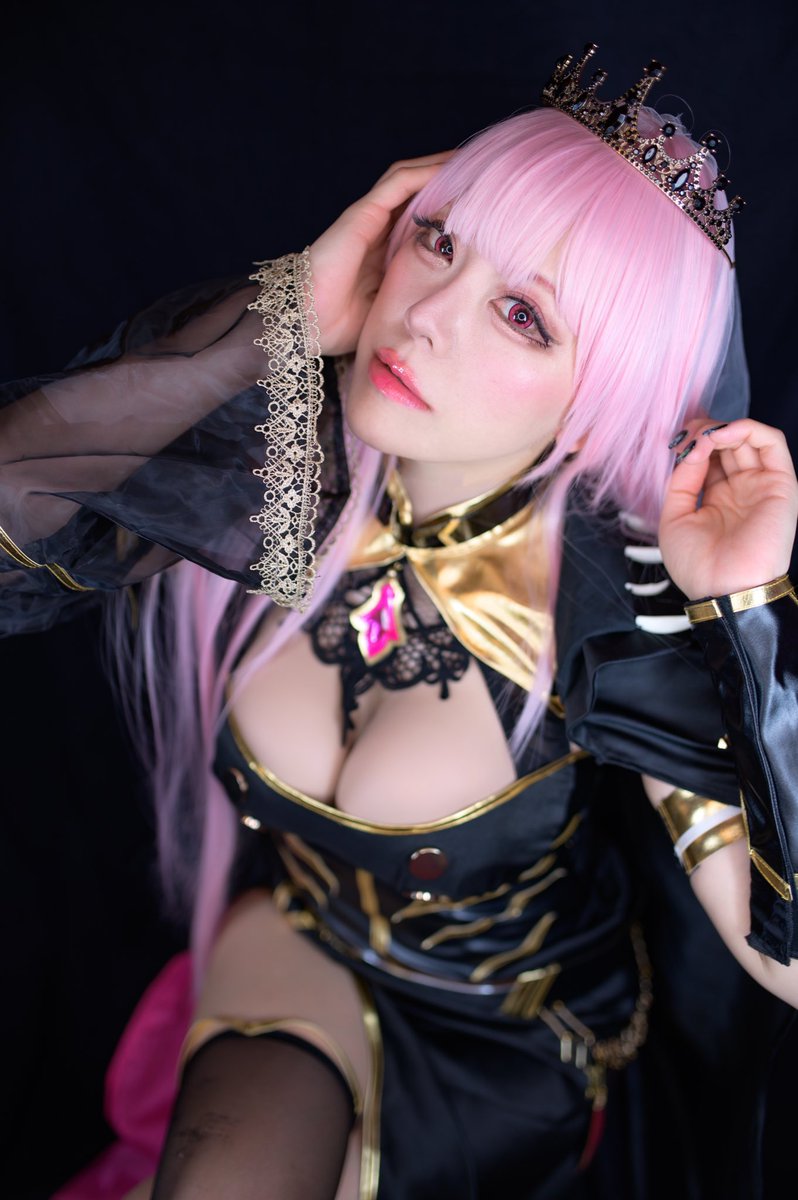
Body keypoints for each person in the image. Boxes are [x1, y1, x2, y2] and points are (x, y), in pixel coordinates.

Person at [3, 41, 798, 1200]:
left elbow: (785, 959)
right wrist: (277, 316)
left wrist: (746, 612)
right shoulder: (282, 459)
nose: (424, 317)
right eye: (438, 241)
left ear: (604, 398)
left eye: (522, 315)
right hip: (289, 951)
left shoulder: (612, 604)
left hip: (505, 1045)